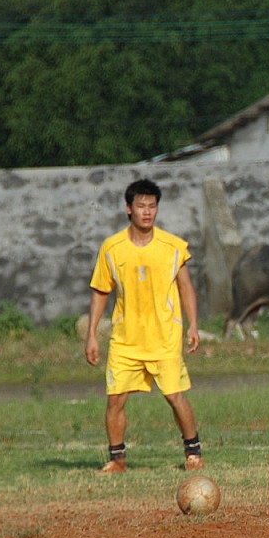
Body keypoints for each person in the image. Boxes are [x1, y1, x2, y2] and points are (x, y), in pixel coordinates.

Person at [85, 179, 204, 474]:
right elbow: (101, 291)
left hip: (165, 336)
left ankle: (193, 453)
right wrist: (92, 335)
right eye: (141, 206)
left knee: (174, 396)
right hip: (126, 339)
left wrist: (193, 325)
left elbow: (186, 286)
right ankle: (117, 459)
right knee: (115, 399)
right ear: (129, 209)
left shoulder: (173, 246)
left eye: (152, 206)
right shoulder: (112, 248)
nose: (147, 212)